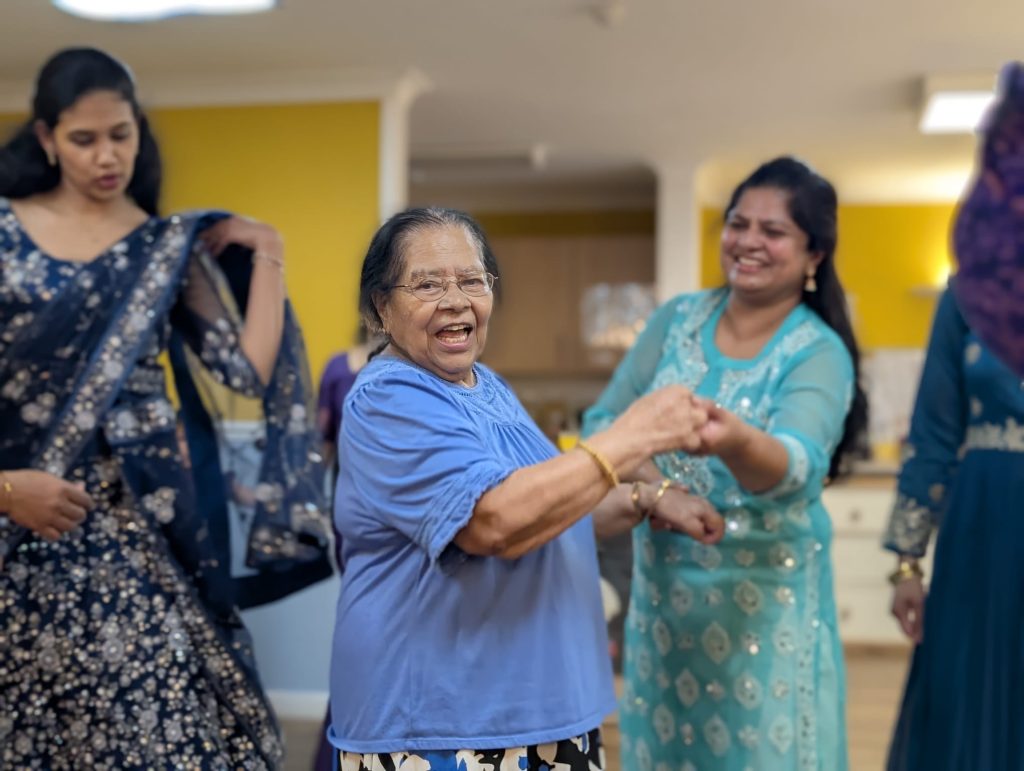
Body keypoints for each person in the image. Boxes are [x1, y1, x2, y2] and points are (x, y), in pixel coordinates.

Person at [0, 47, 329, 769]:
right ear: (46, 138)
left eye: (121, 133)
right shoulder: (4, 234)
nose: (105, 155)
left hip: (136, 535)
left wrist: (269, 252)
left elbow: (243, 370)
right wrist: (5, 490)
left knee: (161, 730)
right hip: (17, 535)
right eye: (83, 139)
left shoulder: (162, 245)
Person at [326, 206, 725, 771]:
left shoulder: (486, 385)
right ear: (379, 309)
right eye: (428, 284)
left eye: (471, 280)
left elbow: (548, 513)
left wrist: (648, 499)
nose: (456, 300)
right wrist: (630, 438)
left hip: (545, 709)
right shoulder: (388, 398)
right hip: (446, 725)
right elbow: (494, 523)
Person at [583, 156, 868, 771]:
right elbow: (605, 424)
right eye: (737, 223)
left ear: (814, 254)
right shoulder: (677, 319)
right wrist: (661, 493)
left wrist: (735, 440)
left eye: (774, 231)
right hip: (663, 600)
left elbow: (796, 467)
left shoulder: (817, 351)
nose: (748, 242)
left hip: (766, 611)